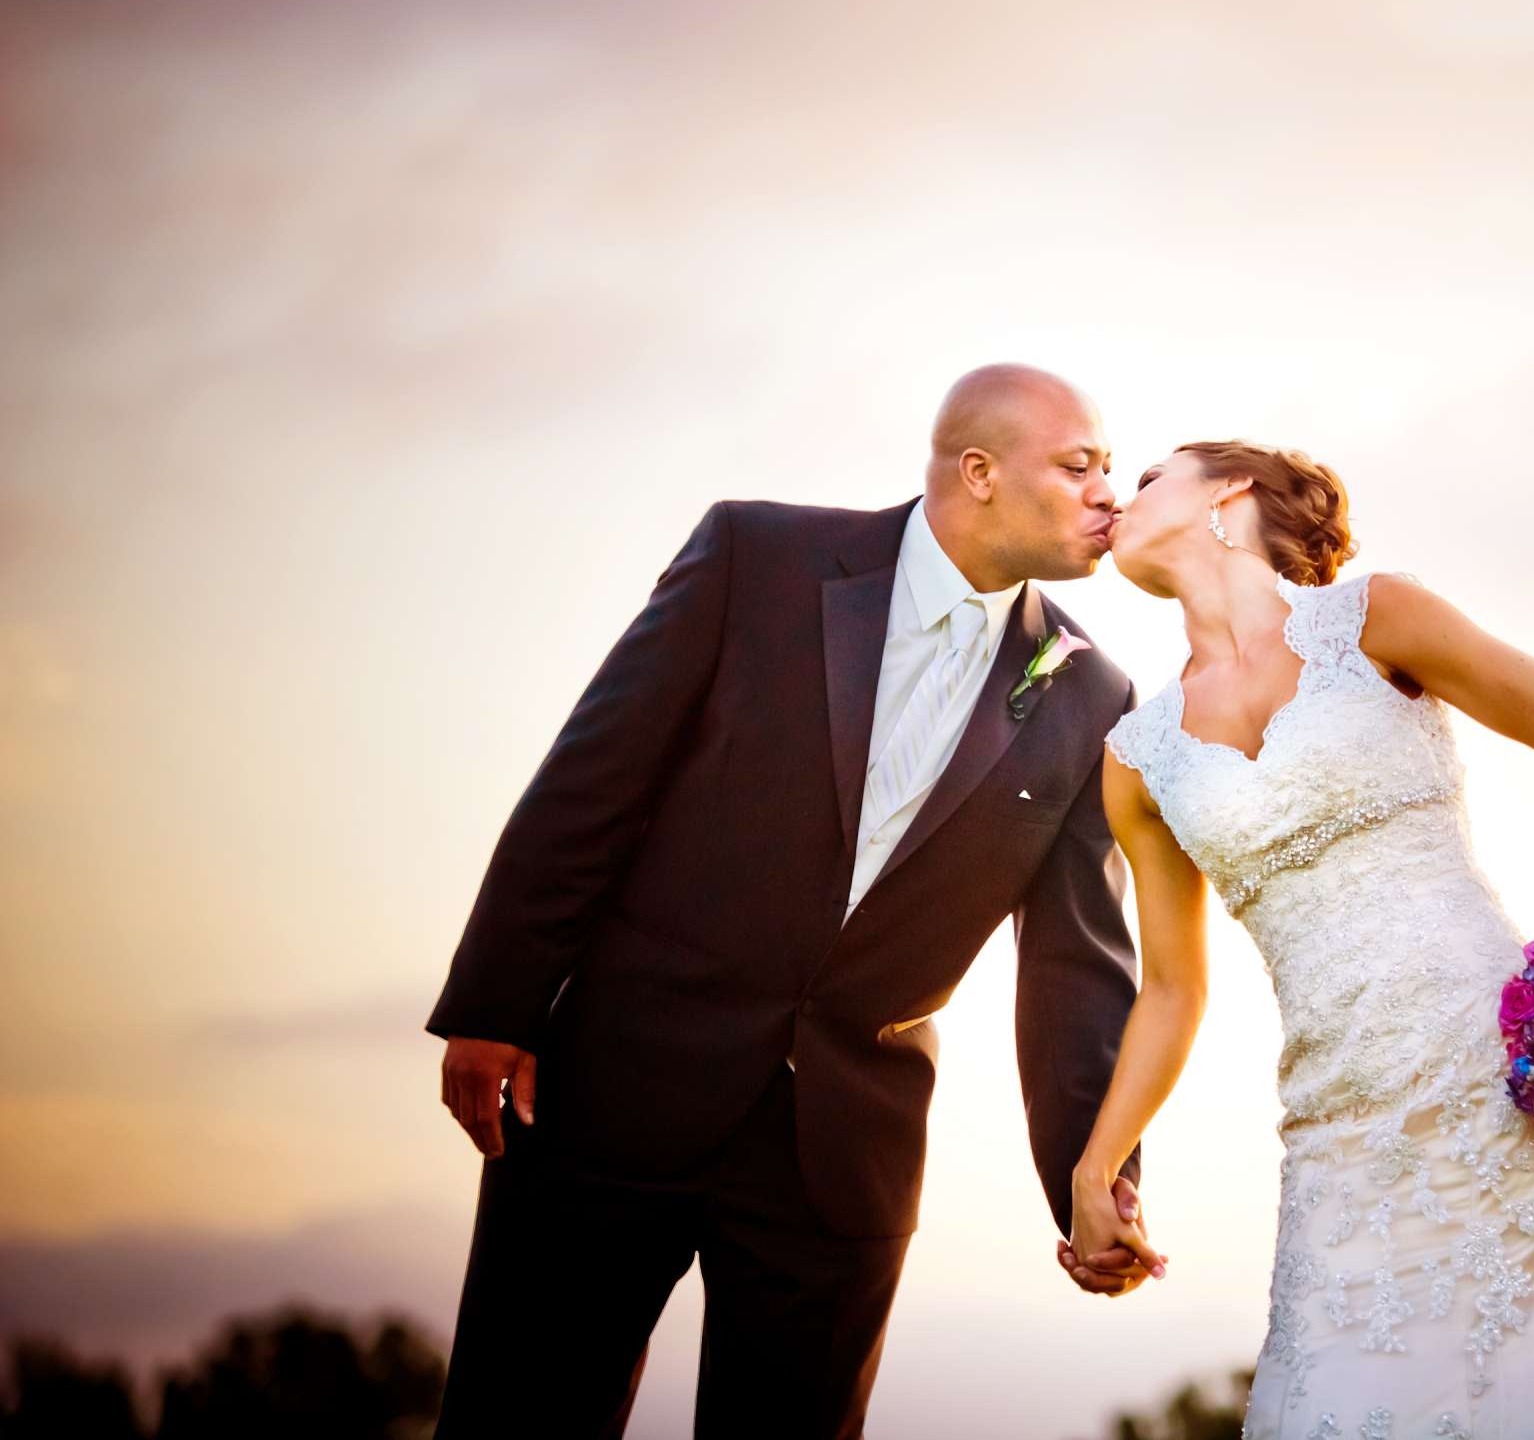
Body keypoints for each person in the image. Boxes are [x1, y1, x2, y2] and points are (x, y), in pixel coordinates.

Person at [426, 364, 1160, 1439]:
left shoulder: (1093, 693)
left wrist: (1097, 1181)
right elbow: (595, 780)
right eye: (1080, 464)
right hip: (610, 1091)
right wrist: (496, 1002)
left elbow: (1077, 967)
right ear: (980, 472)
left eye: (1112, 466)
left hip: (843, 1159)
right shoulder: (755, 558)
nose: (1112, 492)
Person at [1060, 439, 1534, 1437]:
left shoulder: (1377, 619)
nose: (1118, 494)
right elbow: (1171, 990)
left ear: (1229, 493)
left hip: (1501, 1096)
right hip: (1339, 1137)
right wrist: (1095, 1165)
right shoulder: (1138, 759)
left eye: (1149, 475)